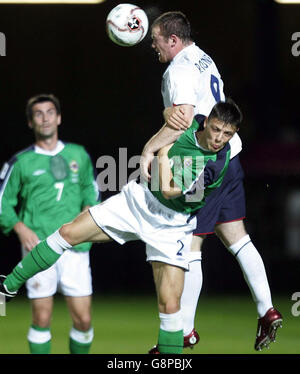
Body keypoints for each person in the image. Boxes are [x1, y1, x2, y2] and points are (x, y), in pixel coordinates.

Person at [2, 100, 243, 354]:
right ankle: (9, 284)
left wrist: (160, 153)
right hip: (138, 201)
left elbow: (170, 190)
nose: (218, 138)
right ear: (207, 122)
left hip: (171, 225)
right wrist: (157, 136)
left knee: (171, 307)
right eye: (216, 129)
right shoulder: (195, 121)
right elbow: (171, 118)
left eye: (227, 134)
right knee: (67, 233)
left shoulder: (213, 163)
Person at [140, 11, 282, 352]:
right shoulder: (202, 57)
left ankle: (185, 330)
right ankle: (267, 310)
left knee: (190, 245)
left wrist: (149, 149)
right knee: (238, 238)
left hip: (205, 162)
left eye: (156, 40)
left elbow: (183, 119)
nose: (152, 46)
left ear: (172, 40)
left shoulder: (179, 68)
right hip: (229, 155)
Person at [0, 94, 99, 354]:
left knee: (84, 320)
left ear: (59, 118)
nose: (45, 118)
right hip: (39, 247)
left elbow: (92, 192)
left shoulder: (78, 154)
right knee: (41, 318)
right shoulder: (20, 162)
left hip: (75, 248)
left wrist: (87, 217)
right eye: (38, 114)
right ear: (30, 122)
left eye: (50, 112)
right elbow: (3, 203)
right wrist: (20, 228)